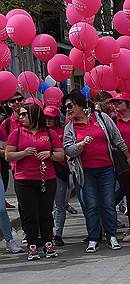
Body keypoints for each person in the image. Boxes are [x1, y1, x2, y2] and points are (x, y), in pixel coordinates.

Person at [62, 90, 130, 253]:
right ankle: (94, 238)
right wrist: (81, 145)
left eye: (70, 106)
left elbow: (117, 138)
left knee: (108, 203)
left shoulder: (101, 118)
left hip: (106, 168)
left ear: (80, 104)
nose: (68, 110)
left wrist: (127, 156)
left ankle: (112, 235)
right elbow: (68, 150)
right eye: (65, 108)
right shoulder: (70, 127)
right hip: (85, 172)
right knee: (91, 205)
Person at [5, 102, 64, 260]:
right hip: (24, 179)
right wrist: (23, 153)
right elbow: (8, 155)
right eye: (21, 114)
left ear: (34, 115)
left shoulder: (49, 133)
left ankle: (48, 243)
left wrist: (49, 154)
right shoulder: (16, 133)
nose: (21, 117)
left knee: (45, 213)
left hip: (46, 178)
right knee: (30, 214)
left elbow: (61, 155)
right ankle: (32, 245)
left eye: (25, 114)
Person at [111, 93, 130, 241]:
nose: (116, 104)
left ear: (128, 104)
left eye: (119, 102)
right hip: (124, 163)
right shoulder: (113, 121)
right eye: (114, 102)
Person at [44, 105, 70, 246]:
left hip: (60, 172)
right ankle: (49, 233)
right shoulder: (39, 133)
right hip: (43, 172)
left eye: (51, 118)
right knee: (47, 206)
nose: (48, 121)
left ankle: (58, 234)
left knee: (60, 204)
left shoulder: (64, 132)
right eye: (45, 118)